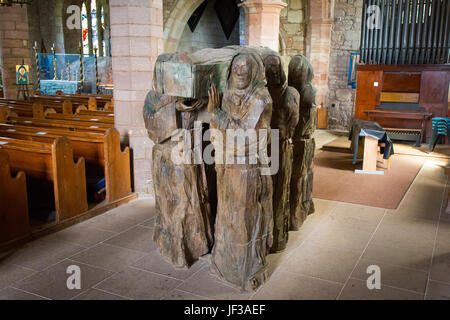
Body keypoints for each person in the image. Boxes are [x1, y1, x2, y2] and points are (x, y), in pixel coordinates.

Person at [207, 50, 273, 291]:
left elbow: (245, 134)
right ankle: (224, 264)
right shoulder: (227, 95)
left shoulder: (261, 98)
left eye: (245, 67)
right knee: (226, 217)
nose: (239, 72)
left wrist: (216, 114)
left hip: (248, 168)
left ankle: (245, 271)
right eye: (236, 66)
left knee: (243, 220)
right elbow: (217, 128)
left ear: (254, 70)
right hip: (228, 165)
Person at [261, 49, 299, 252]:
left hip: (279, 146)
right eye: (269, 68)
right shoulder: (260, 94)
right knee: (264, 194)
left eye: (277, 68)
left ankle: (277, 236)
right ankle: (264, 237)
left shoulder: (289, 93)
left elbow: (292, 122)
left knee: (278, 193)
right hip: (262, 148)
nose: (273, 72)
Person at [288, 55, 317, 230]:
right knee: (297, 177)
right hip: (296, 140)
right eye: (294, 70)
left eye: (300, 70)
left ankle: (304, 205)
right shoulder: (291, 91)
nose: (297, 73)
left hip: (305, 138)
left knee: (305, 175)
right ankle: (296, 211)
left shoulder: (308, 90)